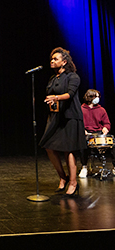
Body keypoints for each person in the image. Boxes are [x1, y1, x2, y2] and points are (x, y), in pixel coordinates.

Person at [39, 47, 86, 196]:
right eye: (51, 59)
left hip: (70, 116)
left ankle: (73, 182)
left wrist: (56, 97)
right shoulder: (53, 79)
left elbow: (70, 94)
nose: (52, 61)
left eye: (55, 59)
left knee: (69, 150)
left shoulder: (73, 77)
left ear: (64, 62)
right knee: (48, 146)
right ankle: (62, 177)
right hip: (56, 117)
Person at [79, 89, 112, 177]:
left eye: (98, 97)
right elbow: (78, 123)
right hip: (87, 133)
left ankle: (114, 167)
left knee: (112, 144)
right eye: (96, 96)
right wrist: (83, 130)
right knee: (83, 145)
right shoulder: (81, 109)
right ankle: (84, 167)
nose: (98, 98)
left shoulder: (101, 110)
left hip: (98, 133)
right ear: (90, 97)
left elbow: (107, 123)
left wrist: (105, 128)